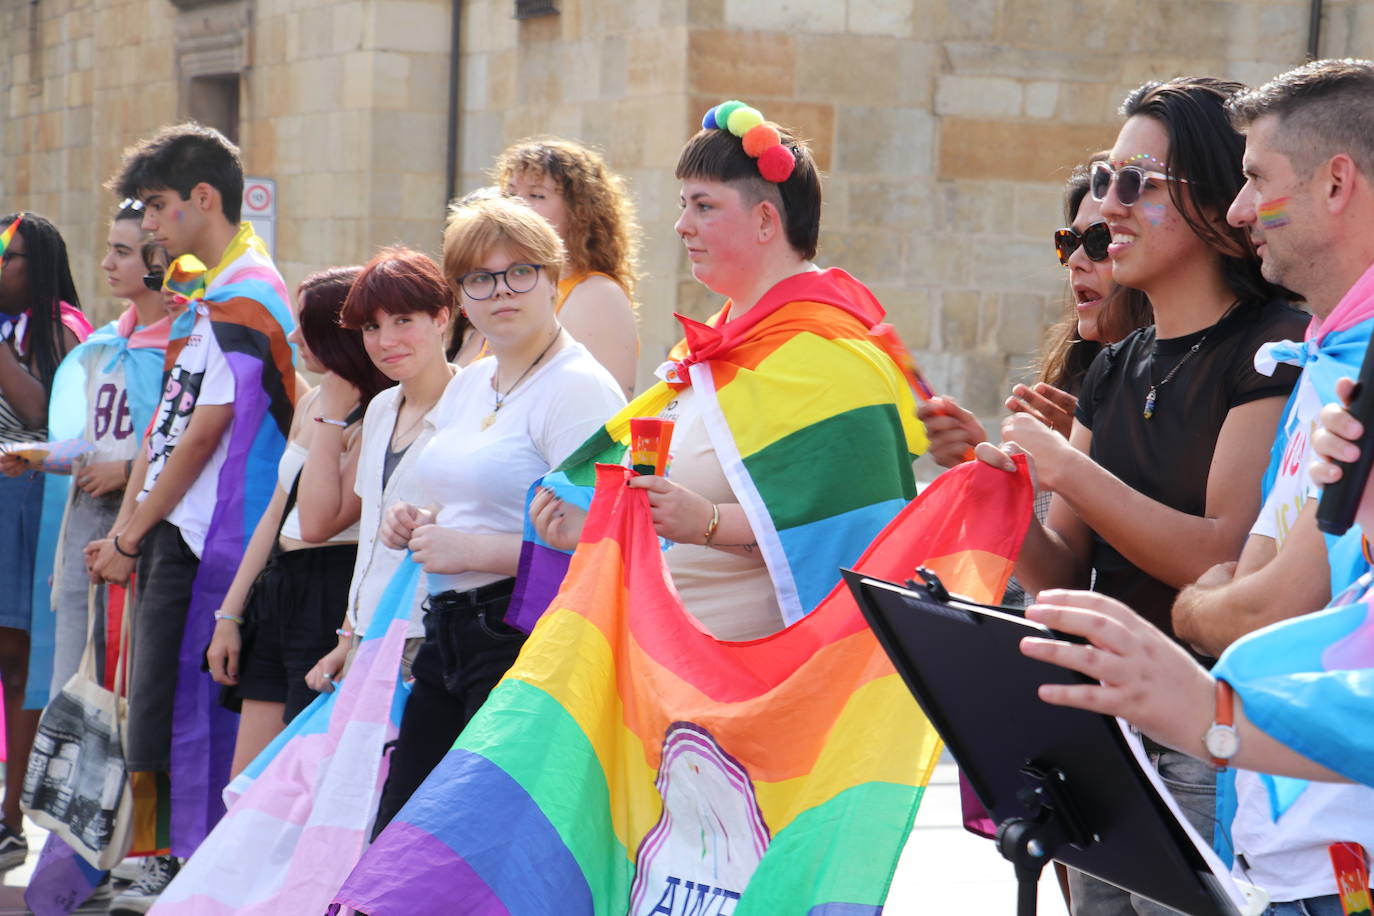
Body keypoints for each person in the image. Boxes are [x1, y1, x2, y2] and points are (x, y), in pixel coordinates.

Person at [1028, 59, 1374, 916]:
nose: (1241, 209)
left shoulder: (1283, 352)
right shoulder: (1318, 357)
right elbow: (1258, 582)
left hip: (1309, 818)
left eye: (1256, 179)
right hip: (1265, 815)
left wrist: (1208, 675)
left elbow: (1247, 593)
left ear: (1337, 183)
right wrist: (1002, 493)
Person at [977, 77, 1309, 915]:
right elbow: (1065, 569)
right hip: (1111, 725)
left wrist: (1065, 467)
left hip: (1209, 720)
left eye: (1137, 183)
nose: (1106, 205)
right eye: (1101, 175)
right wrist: (1003, 501)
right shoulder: (1118, 366)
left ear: (1212, 203)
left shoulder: (1271, 348)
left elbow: (1221, 556)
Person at [368, 195, 625, 835]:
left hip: (524, 636)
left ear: (554, 275)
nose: (501, 291)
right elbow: (447, 493)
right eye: (480, 278)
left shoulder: (578, 388)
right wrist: (409, 519)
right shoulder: (471, 382)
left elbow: (610, 546)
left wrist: (472, 550)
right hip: (448, 631)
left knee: (484, 850)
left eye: (520, 272)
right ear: (461, 295)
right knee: (404, 840)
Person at [87, 123, 295, 912]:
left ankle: (181, 858)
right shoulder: (201, 290)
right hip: (175, 529)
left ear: (203, 199)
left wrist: (133, 530)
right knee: (156, 705)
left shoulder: (248, 292)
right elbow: (168, 419)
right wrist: (129, 528)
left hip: (221, 536)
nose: (148, 225)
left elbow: (211, 429)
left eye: (158, 206)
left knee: (193, 710)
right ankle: (152, 851)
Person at [205, 266, 392, 776]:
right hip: (278, 589)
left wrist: (333, 415)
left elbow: (319, 522)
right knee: (245, 783)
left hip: (331, 592)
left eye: (305, 324)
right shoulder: (314, 398)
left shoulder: (377, 410)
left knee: (297, 780)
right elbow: (276, 514)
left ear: (338, 333)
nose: (291, 337)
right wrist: (231, 614)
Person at [0, 203, 171, 701]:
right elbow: (92, 442)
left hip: (137, 532)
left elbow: (190, 443)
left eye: (121, 252)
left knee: (120, 684)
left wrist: (127, 469)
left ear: (157, 262)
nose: (106, 264)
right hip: (81, 532)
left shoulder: (180, 349)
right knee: (70, 681)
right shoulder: (103, 345)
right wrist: (38, 455)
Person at [920, 152, 1151, 467]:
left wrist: (1089, 457)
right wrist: (974, 458)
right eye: (1069, 243)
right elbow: (1028, 514)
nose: (1075, 261)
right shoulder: (1072, 381)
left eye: (1100, 241)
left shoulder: (1183, 382)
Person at [0, 211, 90, 869]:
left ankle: (12, 819)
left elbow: (39, 414)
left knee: (17, 659)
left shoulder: (61, 329)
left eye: (10, 256)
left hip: (26, 504)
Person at [495, 138, 641, 396]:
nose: (514, 206)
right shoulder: (496, 289)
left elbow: (602, 415)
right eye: (510, 193)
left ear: (578, 212)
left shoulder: (598, 296)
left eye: (536, 195)